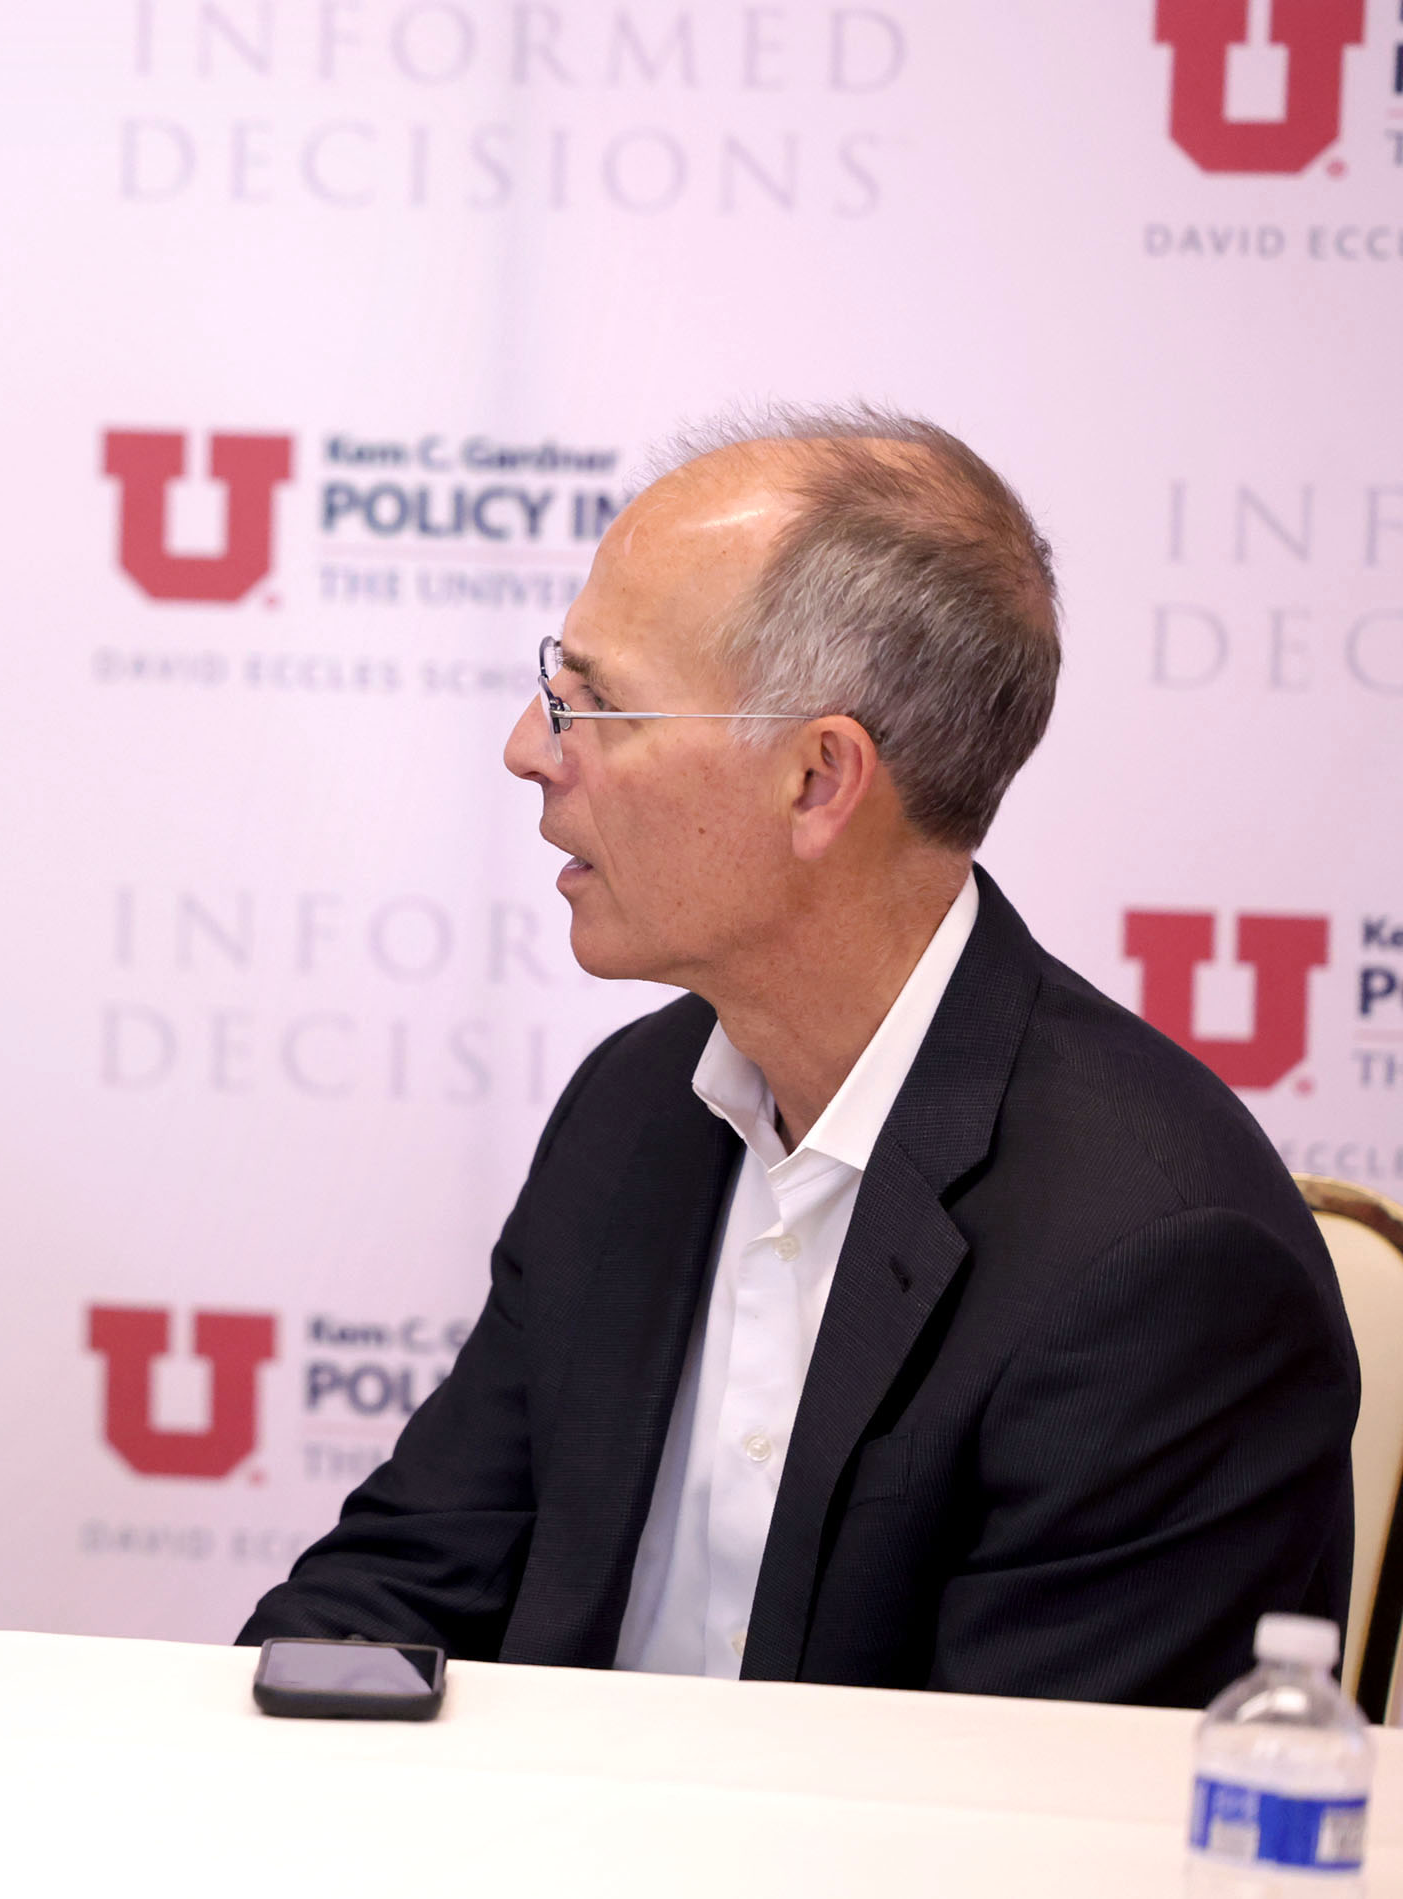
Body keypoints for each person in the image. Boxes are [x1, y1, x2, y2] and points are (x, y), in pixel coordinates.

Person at [240, 406, 1356, 1705]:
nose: (529, 750)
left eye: (595, 705)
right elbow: (403, 1579)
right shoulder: (636, 1109)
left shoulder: (1156, 1264)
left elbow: (1038, 1832)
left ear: (821, 779)